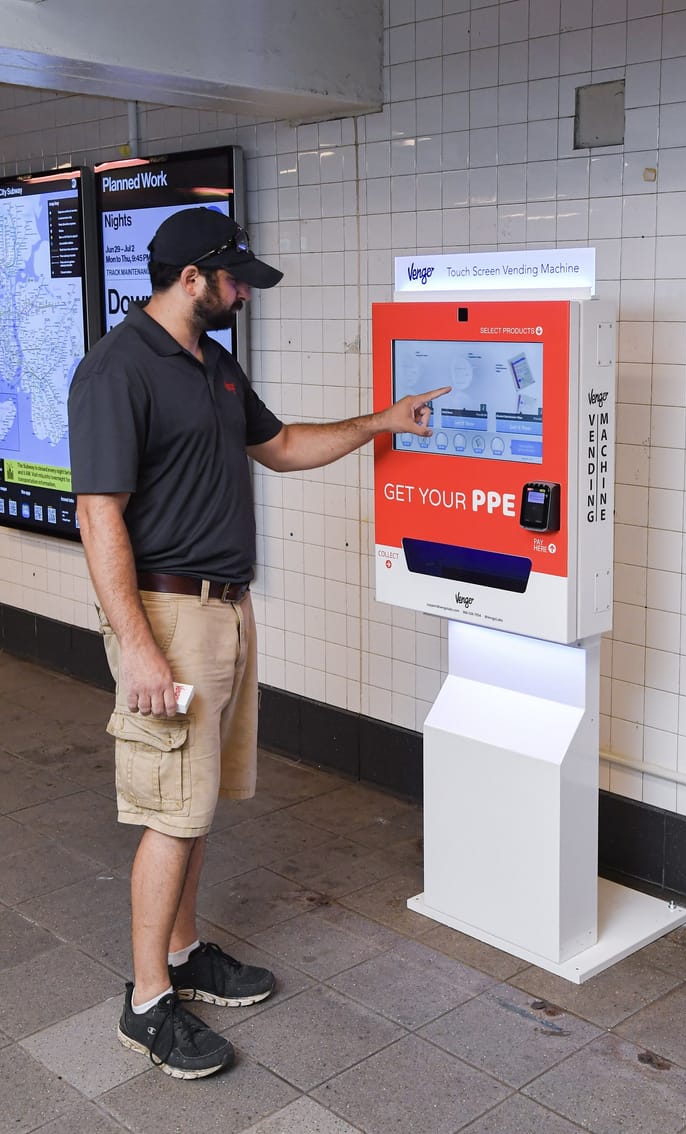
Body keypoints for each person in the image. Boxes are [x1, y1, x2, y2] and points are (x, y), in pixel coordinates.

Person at [67, 206, 448, 1080]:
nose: (244, 291)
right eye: (233, 278)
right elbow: (98, 515)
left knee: (197, 802)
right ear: (190, 279)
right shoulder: (116, 370)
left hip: (227, 611)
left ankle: (188, 949)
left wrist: (380, 422)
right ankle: (147, 1000)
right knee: (171, 811)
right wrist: (138, 646)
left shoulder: (215, 365)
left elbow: (277, 448)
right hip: (165, 619)